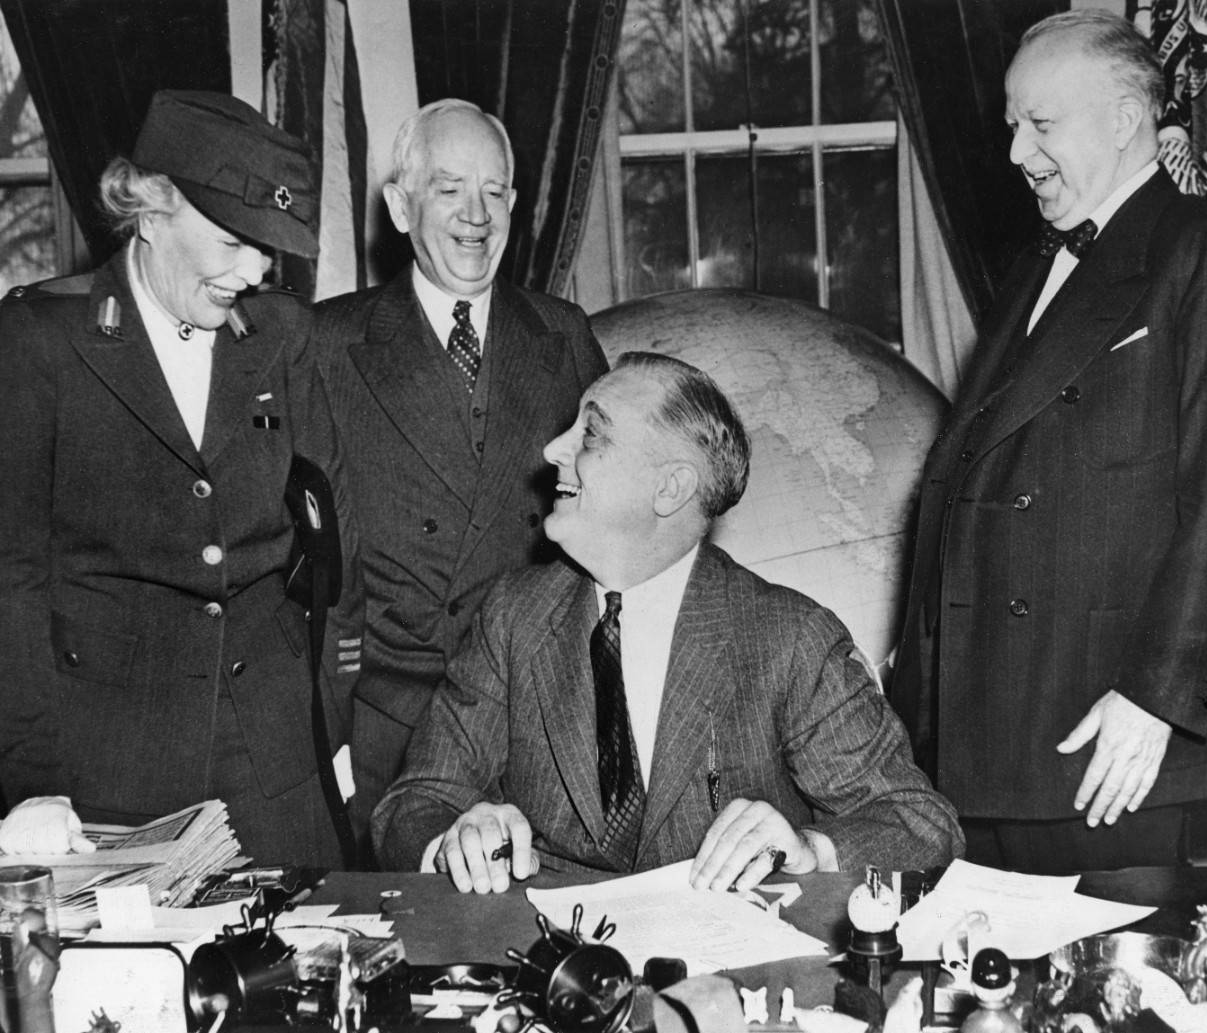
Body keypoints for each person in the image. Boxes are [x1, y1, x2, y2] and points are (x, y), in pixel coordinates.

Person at [891, 10, 1207, 873]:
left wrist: (1159, 700)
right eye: (1010, 127)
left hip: (1108, 732)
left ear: (1122, 117)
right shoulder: (1032, 268)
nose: (1016, 154)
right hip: (987, 727)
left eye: (1041, 124)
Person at [373, 352, 963, 891]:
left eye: (591, 434)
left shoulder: (788, 638)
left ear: (670, 487)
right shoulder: (512, 615)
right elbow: (415, 800)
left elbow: (919, 822)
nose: (553, 449)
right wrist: (453, 839)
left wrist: (810, 850)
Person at [0, 90, 363, 866]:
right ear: (152, 209)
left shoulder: (283, 334)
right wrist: (31, 779)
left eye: (268, 247)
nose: (255, 269)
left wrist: (325, 724)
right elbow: (12, 578)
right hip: (112, 771)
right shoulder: (40, 340)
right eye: (234, 240)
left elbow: (333, 541)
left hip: (279, 765)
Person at [310, 98, 607, 854]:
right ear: (401, 208)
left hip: (532, 732)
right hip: (388, 737)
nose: (476, 215)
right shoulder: (327, 344)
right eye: (448, 189)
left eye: (495, 190)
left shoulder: (564, 335)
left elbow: (614, 537)